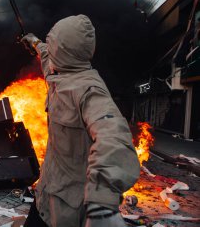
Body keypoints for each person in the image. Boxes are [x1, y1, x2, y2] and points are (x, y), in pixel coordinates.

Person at [20, 15, 140, 227]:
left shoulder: (89, 90)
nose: (52, 49)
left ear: (64, 50)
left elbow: (115, 138)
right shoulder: (60, 72)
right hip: (46, 195)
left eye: (55, 44)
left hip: (67, 210)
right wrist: (35, 42)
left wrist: (101, 204)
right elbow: (46, 55)